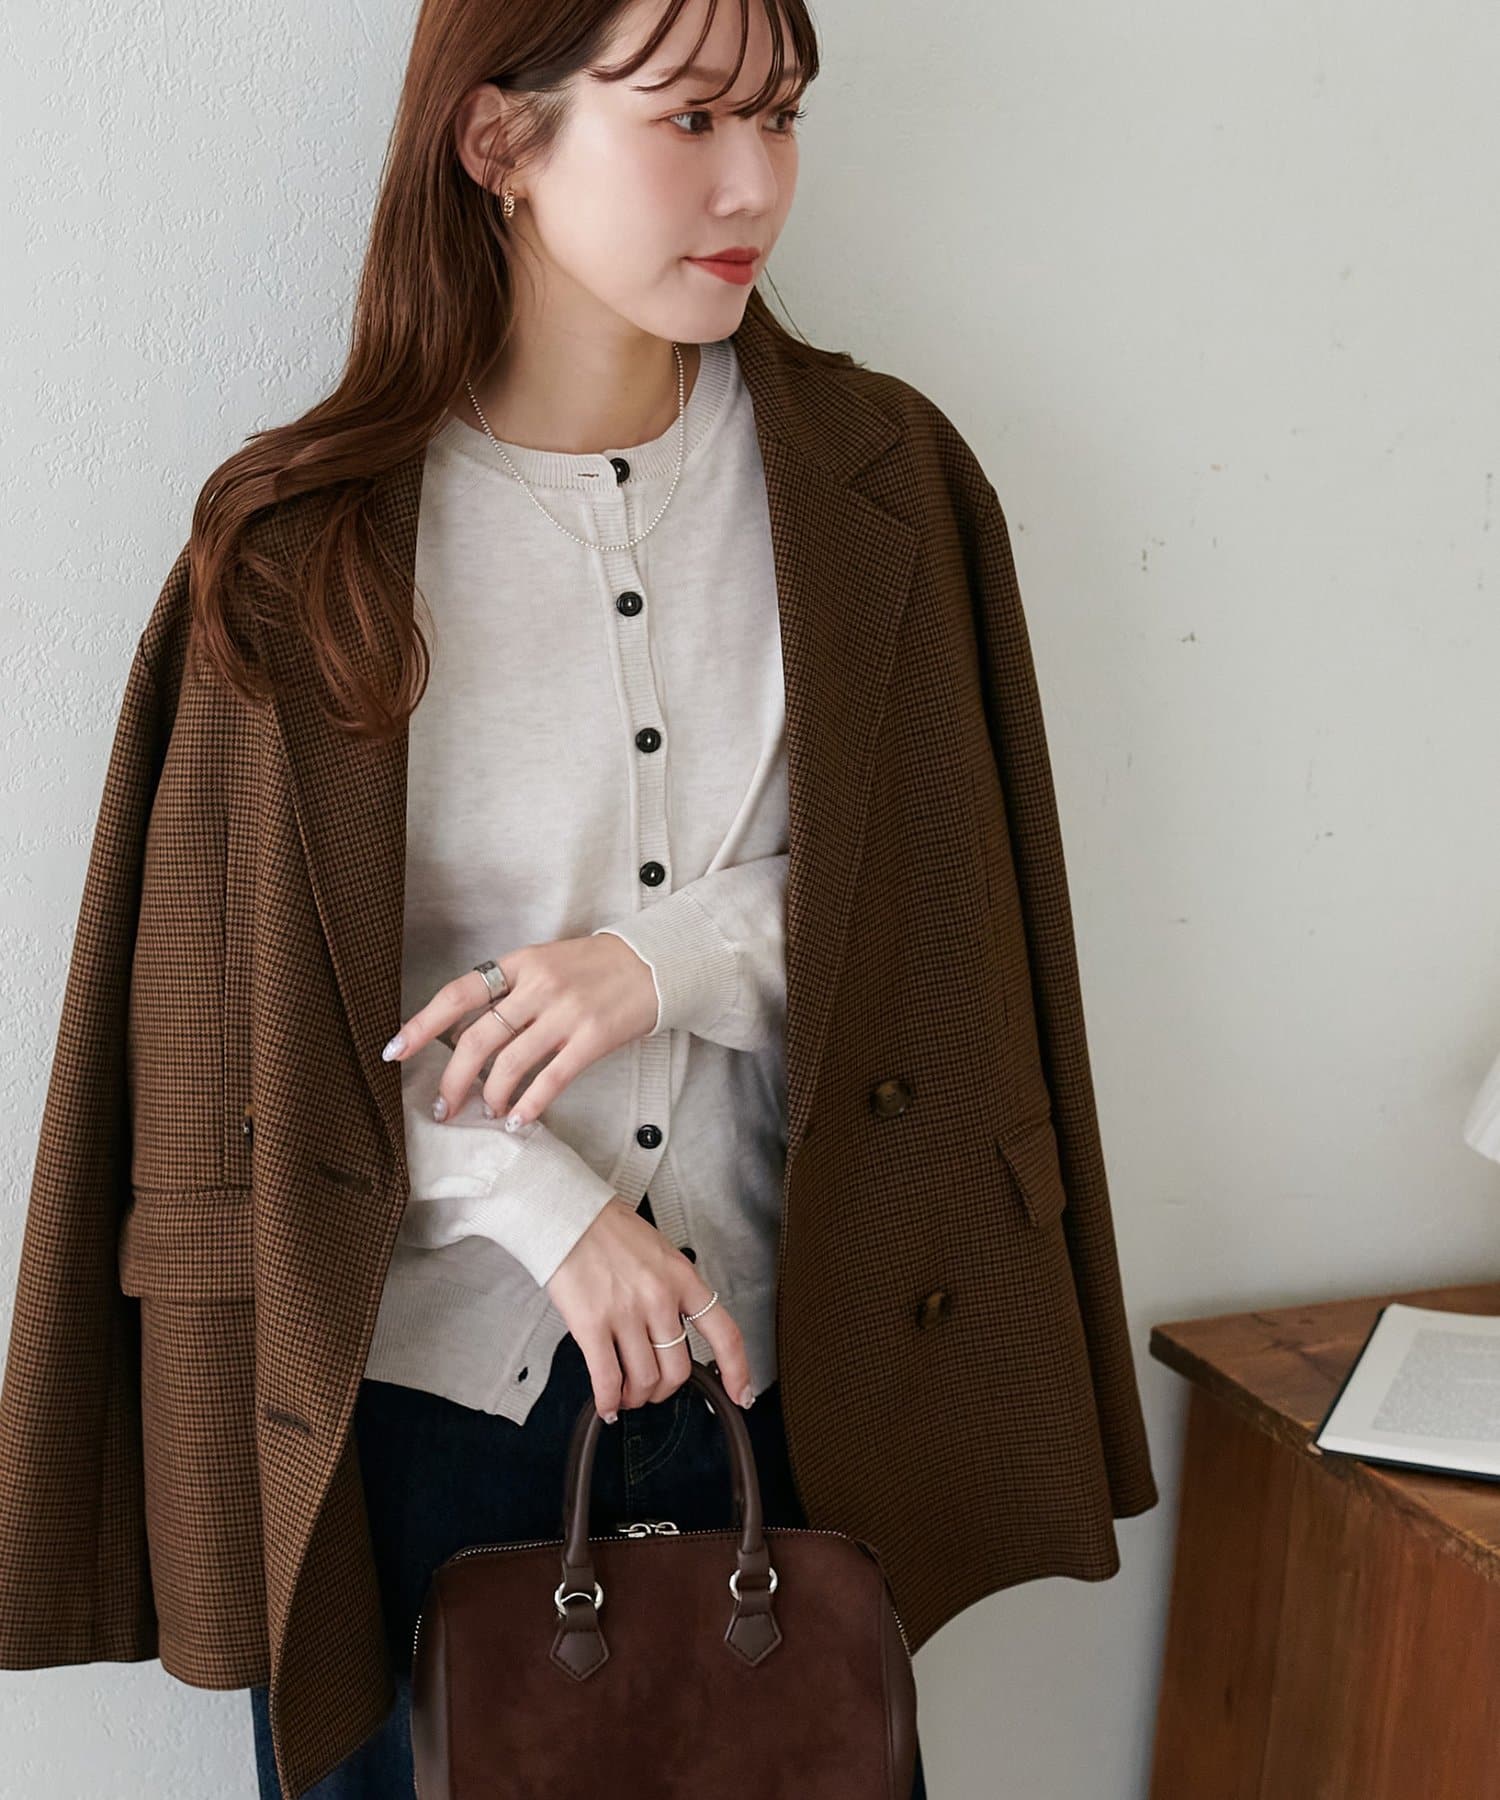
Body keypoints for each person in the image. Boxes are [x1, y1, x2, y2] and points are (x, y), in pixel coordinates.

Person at [0, 0, 1162, 1790]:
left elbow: (949, 910)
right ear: (499, 144)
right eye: (690, 119)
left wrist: (658, 960)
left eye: (781, 117)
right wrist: (534, 1201)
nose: (756, 184)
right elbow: (234, 1048)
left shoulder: (882, 482)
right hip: (413, 1413)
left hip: (797, 1380)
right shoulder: (304, 545)